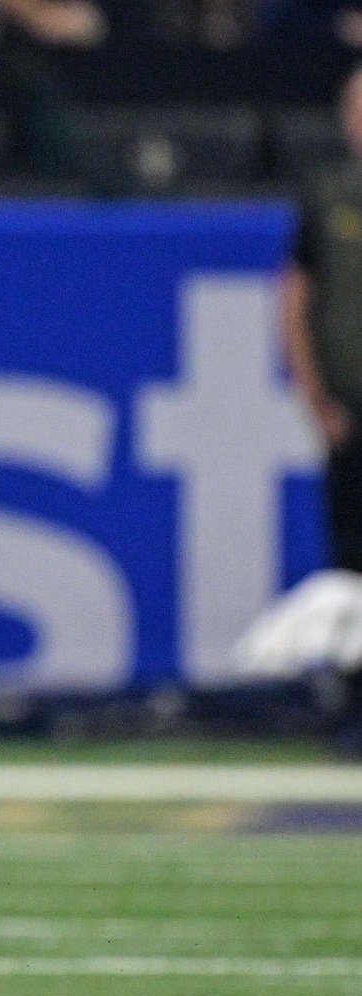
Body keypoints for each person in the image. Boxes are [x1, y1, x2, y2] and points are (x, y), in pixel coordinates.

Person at [283, 64, 362, 751]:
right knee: (349, 564)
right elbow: (294, 300)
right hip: (350, 406)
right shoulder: (326, 192)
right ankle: (352, 705)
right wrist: (314, 395)